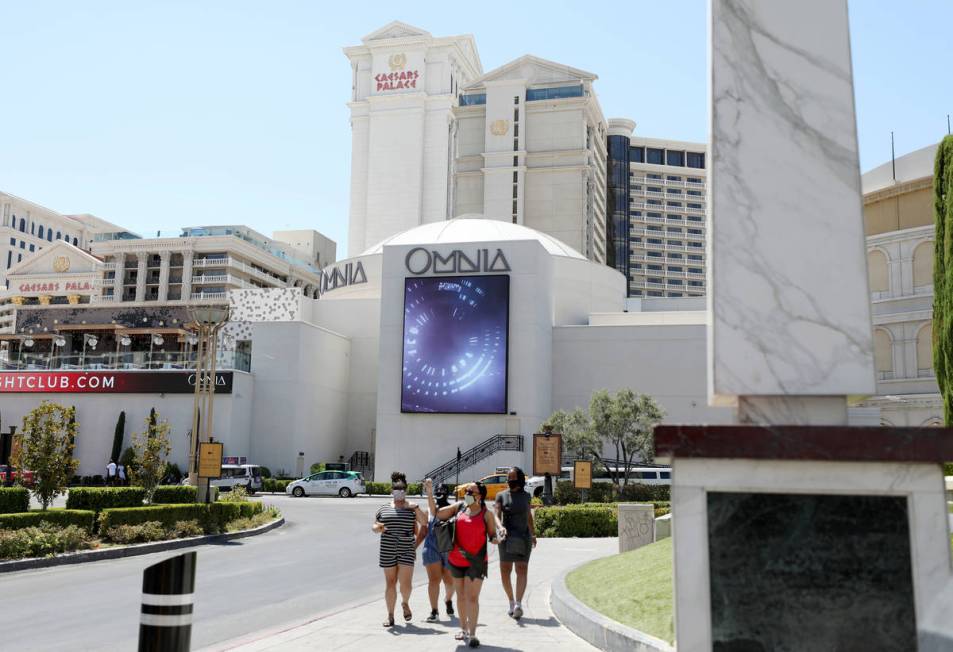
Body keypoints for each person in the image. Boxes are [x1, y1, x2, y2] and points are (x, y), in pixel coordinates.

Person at [436, 481, 499, 648]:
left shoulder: (487, 514)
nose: (467, 493)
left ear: (480, 496)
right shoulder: (460, 507)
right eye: (467, 490)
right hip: (456, 560)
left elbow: (492, 535)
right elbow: (438, 514)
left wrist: (497, 539)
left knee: (472, 597)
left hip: (476, 562)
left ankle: (472, 634)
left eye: (471, 491)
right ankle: (463, 629)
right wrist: (430, 495)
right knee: (461, 596)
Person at [372, 471, 428, 628]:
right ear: (392, 490)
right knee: (390, 583)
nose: (399, 491)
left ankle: (405, 602)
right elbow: (374, 524)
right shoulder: (383, 508)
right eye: (396, 488)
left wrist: (415, 507)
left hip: (406, 548)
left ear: (406, 490)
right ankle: (390, 615)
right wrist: (377, 528)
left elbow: (424, 523)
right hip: (388, 547)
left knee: (406, 585)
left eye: (402, 488)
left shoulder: (411, 507)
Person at [494, 467, 537, 620]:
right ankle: (511, 601)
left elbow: (528, 516)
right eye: (508, 478)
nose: (509, 480)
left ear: (519, 479)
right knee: (505, 570)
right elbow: (496, 515)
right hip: (506, 538)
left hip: (523, 537)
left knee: (521, 568)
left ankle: (518, 603)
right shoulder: (501, 495)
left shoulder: (526, 496)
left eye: (512, 477)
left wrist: (533, 534)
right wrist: (500, 527)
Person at [422, 479, 456, 622]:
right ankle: (434, 611)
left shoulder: (452, 508)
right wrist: (414, 546)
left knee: (449, 581)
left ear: (447, 493)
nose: (440, 493)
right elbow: (423, 530)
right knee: (434, 580)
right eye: (437, 491)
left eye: (443, 491)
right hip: (431, 547)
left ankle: (448, 599)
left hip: (447, 547)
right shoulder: (430, 509)